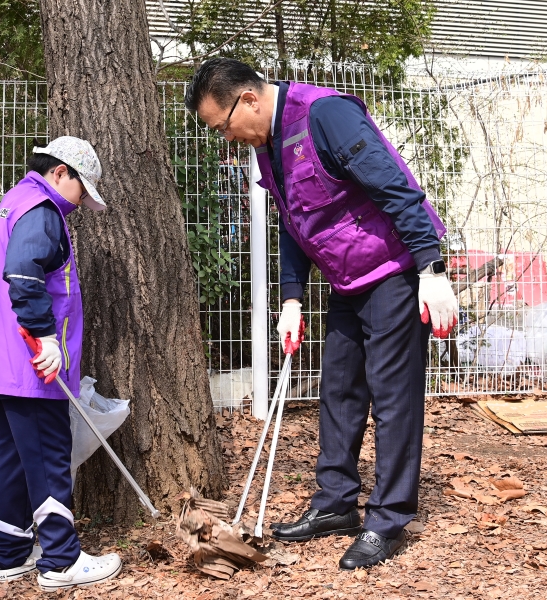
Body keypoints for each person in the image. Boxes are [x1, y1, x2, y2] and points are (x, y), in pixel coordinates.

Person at [185, 59, 459, 570]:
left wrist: (432, 268)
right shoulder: (268, 143)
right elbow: (294, 223)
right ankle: (335, 505)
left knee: (393, 397)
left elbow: (395, 186)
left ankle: (387, 520)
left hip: (394, 270)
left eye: (222, 126)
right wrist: (291, 299)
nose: (226, 138)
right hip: (347, 280)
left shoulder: (325, 115)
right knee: (338, 390)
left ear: (247, 99)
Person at [0, 136, 122, 591]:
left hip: (1, 360)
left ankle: (13, 553)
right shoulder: (42, 212)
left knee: (10, 458)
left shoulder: (14, 202)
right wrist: (47, 336)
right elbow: (24, 272)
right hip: (32, 362)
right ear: (61, 173)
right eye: (81, 190)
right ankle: (60, 560)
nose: (80, 203)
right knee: (50, 456)